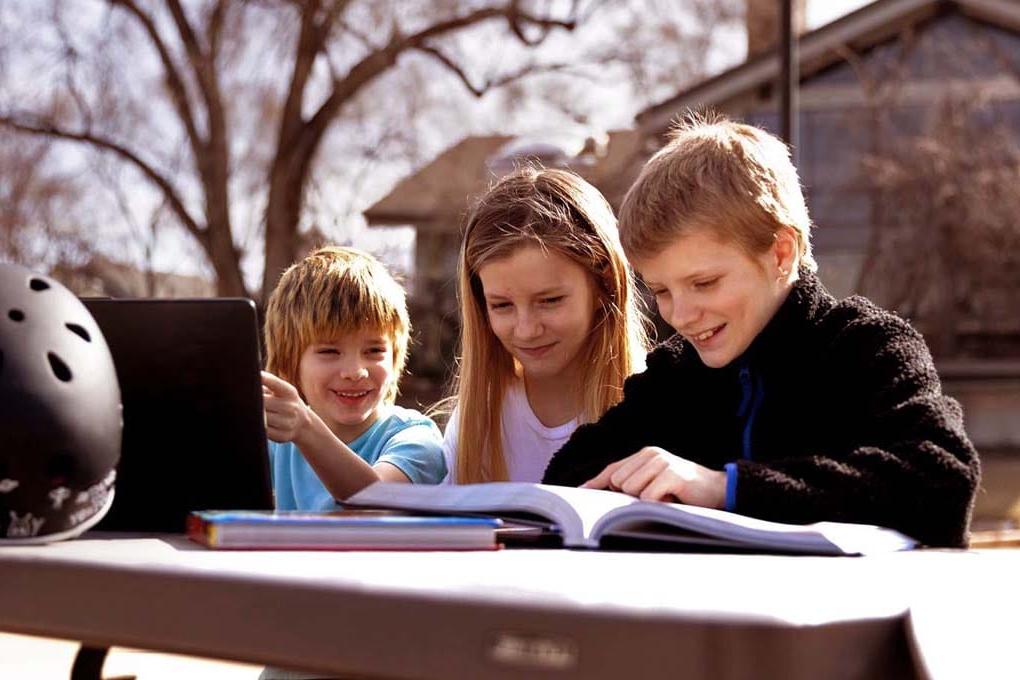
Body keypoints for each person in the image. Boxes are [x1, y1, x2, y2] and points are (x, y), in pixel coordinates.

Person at [542, 115, 980, 548]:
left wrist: (725, 488)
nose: (681, 315)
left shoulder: (868, 347)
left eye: (704, 283)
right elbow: (570, 474)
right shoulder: (677, 374)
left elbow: (943, 480)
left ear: (780, 253)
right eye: (661, 290)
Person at [441, 166, 651, 483]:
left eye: (550, 301)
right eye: (501, 306)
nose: (526, 330)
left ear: (604, 284)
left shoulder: (656, 408)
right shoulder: (478, 421)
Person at [261, 245, 445, 509]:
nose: (355, 371)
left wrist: (305, 429)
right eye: (329, 351)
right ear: (290, 363)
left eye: (374, 350)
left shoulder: (416, 438)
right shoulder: (275, 442)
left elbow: (375, 501)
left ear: (395, 358)